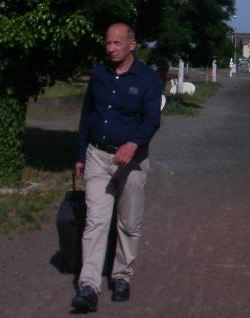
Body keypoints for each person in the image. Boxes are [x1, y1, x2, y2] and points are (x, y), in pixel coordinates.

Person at [71, 23, 161, 313]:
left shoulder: (147, 79)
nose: (111, 48)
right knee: (96, 221)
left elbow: (152, 121)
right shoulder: (99, 75)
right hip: (98, 156)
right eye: (108, 43)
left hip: (132, 163)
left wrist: (133, 144)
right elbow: (87, 116)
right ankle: (89, 287)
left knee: (129, 222)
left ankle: (122, 276)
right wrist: (81, 154)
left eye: (117, 43)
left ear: (131, 45)